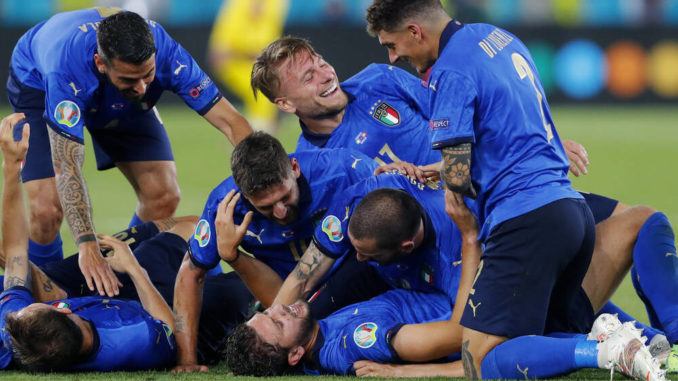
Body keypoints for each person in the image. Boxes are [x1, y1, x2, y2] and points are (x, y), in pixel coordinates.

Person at [365, 1, 599, 377]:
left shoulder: (450, 70)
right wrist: (435, 170)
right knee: (545, 340)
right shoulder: (497, 37)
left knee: (480, 361)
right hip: (569, 211)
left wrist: (459, 215)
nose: (393, 58)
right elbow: (502, 136)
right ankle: (639, 343)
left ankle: (607, 349)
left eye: (392, 45)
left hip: (525, 220)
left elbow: (459, 178)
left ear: (415, 31)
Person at [6, 8, 252, 297]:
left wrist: (263, 179)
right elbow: (67, 165)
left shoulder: (165, 52)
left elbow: (232, 121)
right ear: (101, 63)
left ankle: (125, 282)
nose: (142, 87)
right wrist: (86, 245)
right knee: (46, 210)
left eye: (147, 75)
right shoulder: (65, 68)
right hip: (38, 84)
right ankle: (43, 302)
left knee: (162, 195)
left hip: (113, 94)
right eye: (130, 79)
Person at [172, 132, 391, 372]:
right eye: (265, 207)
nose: (280, 212)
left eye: (285, 197)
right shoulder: (224, 207)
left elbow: (399, 212)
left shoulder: (343, 170)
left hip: (354, 272)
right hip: (286, 299)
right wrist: (187, 361)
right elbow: (191, 272)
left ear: (294, 168)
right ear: (246, 196)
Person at [0, 114, 176, 371]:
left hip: (86, 291)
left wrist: (11, 167)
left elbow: (15, 252)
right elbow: (170, 329)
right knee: (186, 237)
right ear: (62, 310)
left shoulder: (17, 332)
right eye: (31, 305)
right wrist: (135, 270)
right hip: (144, 294)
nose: (18, 308)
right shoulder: (133, 340)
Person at [251, 36, 440, 169]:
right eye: (309, 78)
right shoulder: (314, 164)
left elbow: (448, 111)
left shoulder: (380, 79)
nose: (327, 76)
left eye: (322, 64)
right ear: (286, 104)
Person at [208, 0, 289, 132]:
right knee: (262, 95)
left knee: (265, 98)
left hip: (257, 61)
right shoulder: (238, 6)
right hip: (236, 61)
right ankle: (253, 143)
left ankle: (251, 142)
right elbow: (223, 49)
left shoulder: (275, 4)